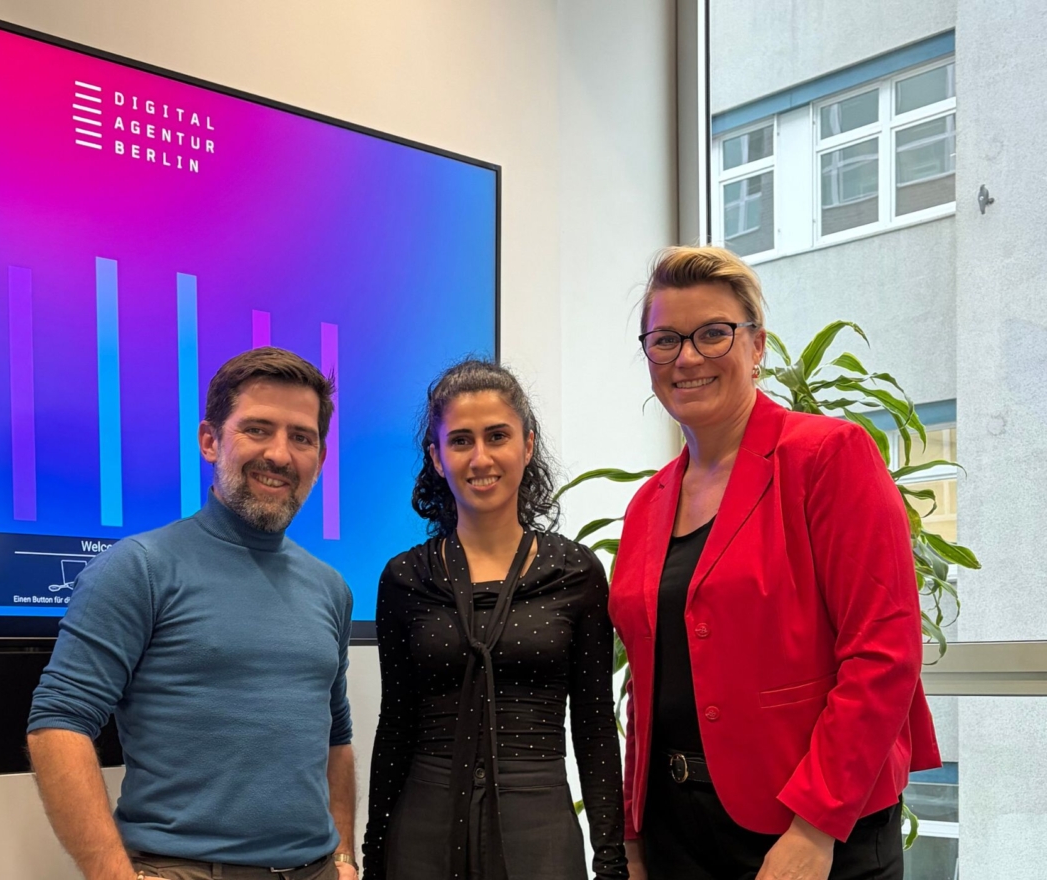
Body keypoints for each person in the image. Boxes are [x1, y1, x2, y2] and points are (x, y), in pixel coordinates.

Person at [610, 246, 941, 880]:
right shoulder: (646, 504)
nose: (687, 358)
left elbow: (883, 651)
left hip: (810, 832)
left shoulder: (829, 457)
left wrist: (814, 826)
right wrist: (632, 834)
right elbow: (646, 690)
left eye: (713, 333)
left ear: (757, 344)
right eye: (665, 340)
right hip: (675, 831)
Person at [28, 347, 358, 880]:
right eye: (257, 429)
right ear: (210, 440)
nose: (280, 454)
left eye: (301, 437)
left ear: (319, 458)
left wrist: (343, 857)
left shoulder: (330, 588)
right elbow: (58, 722)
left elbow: (336, 737)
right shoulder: (139, 568)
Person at [364, 360, 628, 880]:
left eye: (497, 436)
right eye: (460, 441)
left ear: (527, 446)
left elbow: (594, 725)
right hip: (423, 830)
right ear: (437, 458)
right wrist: (374, 857)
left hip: (538, 828)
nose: (480, 457)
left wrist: (611, 860)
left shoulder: (575, 573)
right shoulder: (405, 577)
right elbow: (394, 726)